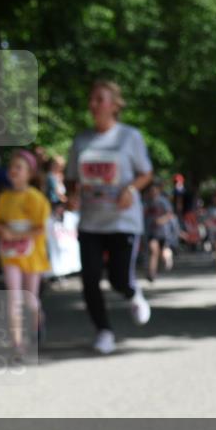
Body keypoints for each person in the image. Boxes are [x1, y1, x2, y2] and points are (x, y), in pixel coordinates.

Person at [65, 80, 153, 355]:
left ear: (115, 106)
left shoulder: (130, 137)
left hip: (122, 220)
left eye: (99, 99)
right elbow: (70, 179)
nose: (93, 104)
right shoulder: (81, 141)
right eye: (91, 99)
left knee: (118, 277)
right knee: (89, 278)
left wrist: (130, 189)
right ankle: (103, 331)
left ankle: (131, 292)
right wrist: (72, 195)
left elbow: (145, 173)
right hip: (91, 220)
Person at [0, 150, 51, 355]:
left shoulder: (36, 199)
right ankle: (17, 343)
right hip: (10, 255)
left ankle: (37, 322)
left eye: (19, 167)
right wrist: (1, 230)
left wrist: (16, 235)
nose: (14, 171)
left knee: (30, 299)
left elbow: (40, 228)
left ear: (30, 173)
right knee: (13, 297)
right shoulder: (4, 197)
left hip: (32, 255)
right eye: (12, 167)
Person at [143, 180, 175, 283]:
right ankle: (151, 273)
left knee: (161, 253)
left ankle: (167, 258)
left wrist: (161, 220)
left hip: (163, 232)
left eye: (154, 190)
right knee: (153, 251)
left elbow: (170, 214)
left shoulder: (163, 201)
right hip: (151, 231)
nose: (152, 192)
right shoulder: (146, 202)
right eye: (150, 190)